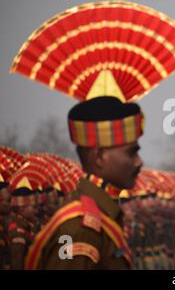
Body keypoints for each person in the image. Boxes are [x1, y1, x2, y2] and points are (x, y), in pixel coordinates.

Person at [26, 96, 144, 269]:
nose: (139, 162)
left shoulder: (101, 217)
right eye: (131, 153)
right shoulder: (82, 229)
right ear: (99, 157)